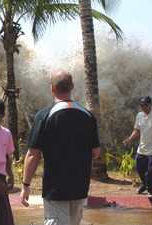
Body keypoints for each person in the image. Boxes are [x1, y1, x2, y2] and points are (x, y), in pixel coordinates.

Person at [20, 70, 100, 225]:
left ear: (52, 88)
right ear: (72, 87)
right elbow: (96, 152)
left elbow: (33, 154)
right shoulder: (88, 116)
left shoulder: (44, 116)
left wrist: (26, 185)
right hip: (80, 187)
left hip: (55, 188)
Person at [123, 96, 152, 198]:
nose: (143, 107)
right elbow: (137, 130)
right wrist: (129, 139)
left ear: (150, 105)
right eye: (141, 105)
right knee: (140, 169)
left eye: (145, 105)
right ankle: (145, 185)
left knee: (151, 171)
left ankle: (151, 191)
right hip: (142, 149)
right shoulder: (139, 115)